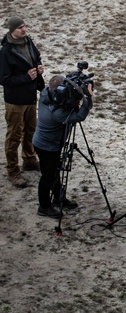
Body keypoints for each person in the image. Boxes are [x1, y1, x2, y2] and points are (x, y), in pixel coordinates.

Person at [31, 74, 92, 218]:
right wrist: (87, 98)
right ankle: (44, 207)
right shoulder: (56, 113)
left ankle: (58, 198)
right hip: (47, 147)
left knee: (55, 170)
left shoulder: (46, 93)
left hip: (47, 143)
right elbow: (79, 116)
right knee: (48, 176)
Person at [0, 16, 44, 188]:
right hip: (16, 101)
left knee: (31, 130)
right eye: (20, 27)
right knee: (14, 136)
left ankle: (29, 160)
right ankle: (13, 170)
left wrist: (39, 67)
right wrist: (26, 77)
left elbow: (36, 57)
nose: (24, 30)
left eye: (24, 26)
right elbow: (4, 79)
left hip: (30, 96)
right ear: (12, 30)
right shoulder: (5, 52)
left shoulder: (28, 42)